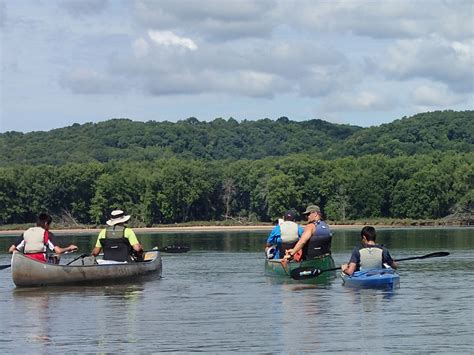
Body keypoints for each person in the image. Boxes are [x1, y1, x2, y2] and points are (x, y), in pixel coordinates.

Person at [8, 213, 77, 263]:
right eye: (49, 225)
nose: (49, 227)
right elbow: (58, 251)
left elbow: (11, 250)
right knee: (57, 256)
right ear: (46, 223)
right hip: (40, 261)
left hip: (27, 261)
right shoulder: (46, 233)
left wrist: (23, 256)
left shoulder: (26, 232)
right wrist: (69, 248)